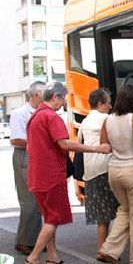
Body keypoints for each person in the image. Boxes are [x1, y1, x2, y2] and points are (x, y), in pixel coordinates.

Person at [25, 82, 111, 264]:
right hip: (51, 176)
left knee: (48, 218)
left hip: (36, 176)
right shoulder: (52, 117)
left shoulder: (35, 117)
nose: (64, 102)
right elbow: (65, 144)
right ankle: (33, 258)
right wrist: (97, 149)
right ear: (55, 97)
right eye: (63, 98)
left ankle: (52, 256)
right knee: (53, 219)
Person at [97, 84, 133, 264]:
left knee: (125, 210)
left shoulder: (108, 120)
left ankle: (109, 250)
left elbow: (104, 146)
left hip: (114, 172)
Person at [75, 88, 119, 253]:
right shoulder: (106, 118)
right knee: (123, 212)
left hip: (91, 173)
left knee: (103, 219)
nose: (110, 105)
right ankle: (110, 249)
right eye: (108, 102)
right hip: (106, 169)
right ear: (100, 103)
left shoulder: (85, 121)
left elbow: (80, 141)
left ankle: (102, 250)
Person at [9, 81, 45, 256]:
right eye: (44, 94)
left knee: (38, 200)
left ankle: (35, 239)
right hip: (25, 156)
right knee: (29, 200)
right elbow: (16, 139)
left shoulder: (42, 112)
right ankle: (24, 241)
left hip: (38, 157)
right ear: (36, 95)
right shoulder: (19, 113)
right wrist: (40, 144)